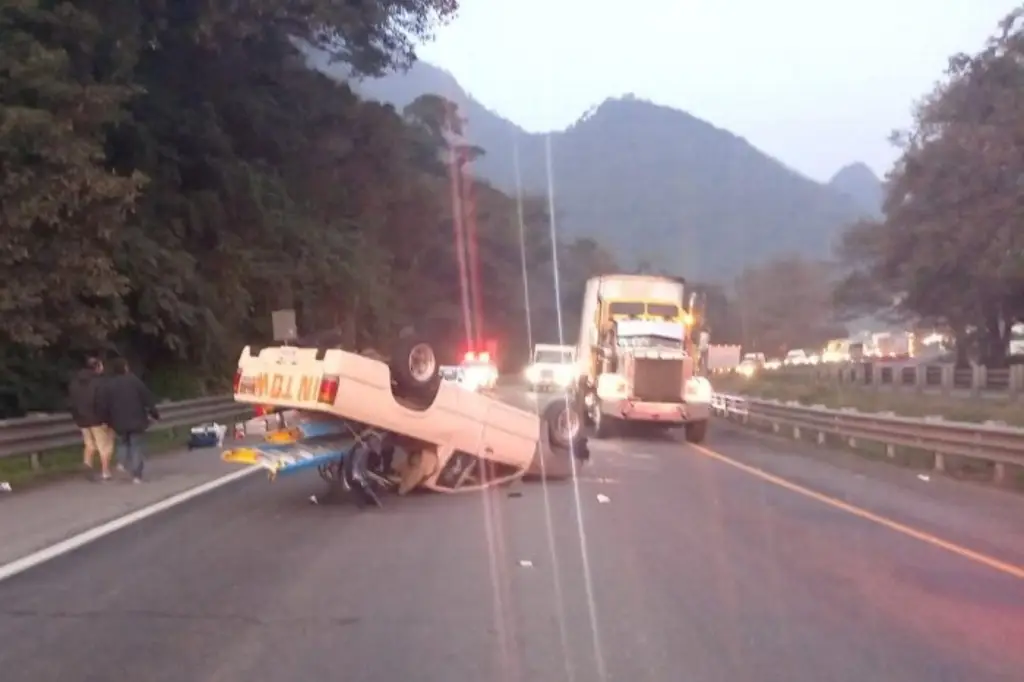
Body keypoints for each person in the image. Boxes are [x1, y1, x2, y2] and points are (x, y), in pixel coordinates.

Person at [97, 358, 160, 483]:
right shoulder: (134, 381)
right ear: (125, 368)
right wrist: (155, 414)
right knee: (136, 446)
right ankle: (136, 476)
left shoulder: (109, 385)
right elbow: (147, 398)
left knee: (123, 443)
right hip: (136, 420)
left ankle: (122, 462)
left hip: (118, 422)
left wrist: (106, 420)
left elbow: (104, 404)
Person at [68, 357, 114, 481]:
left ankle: (87, 464)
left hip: (82, 419)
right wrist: (107, 419)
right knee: (105, 445)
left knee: (89, 444)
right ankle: (105, 471)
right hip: (98, 419)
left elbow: (72, 403)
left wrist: (77, 417)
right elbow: (103, 402)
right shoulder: (100, 382)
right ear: (97, 367)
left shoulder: (75, 383)